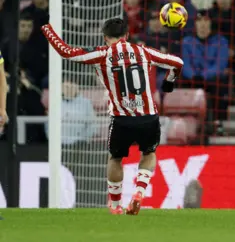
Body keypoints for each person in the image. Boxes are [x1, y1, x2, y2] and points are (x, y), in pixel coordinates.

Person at [40, 19, 184, 215]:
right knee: (148, 154)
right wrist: (169, 82)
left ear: (105, 37)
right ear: (126, 35)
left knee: (115, 159)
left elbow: (65, 51)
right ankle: (139, 192)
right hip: (148, 116)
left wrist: (47, 29)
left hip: (121, 119)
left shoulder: (102, 54)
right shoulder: (143, 51)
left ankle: (116, 206)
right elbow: (177, 63)